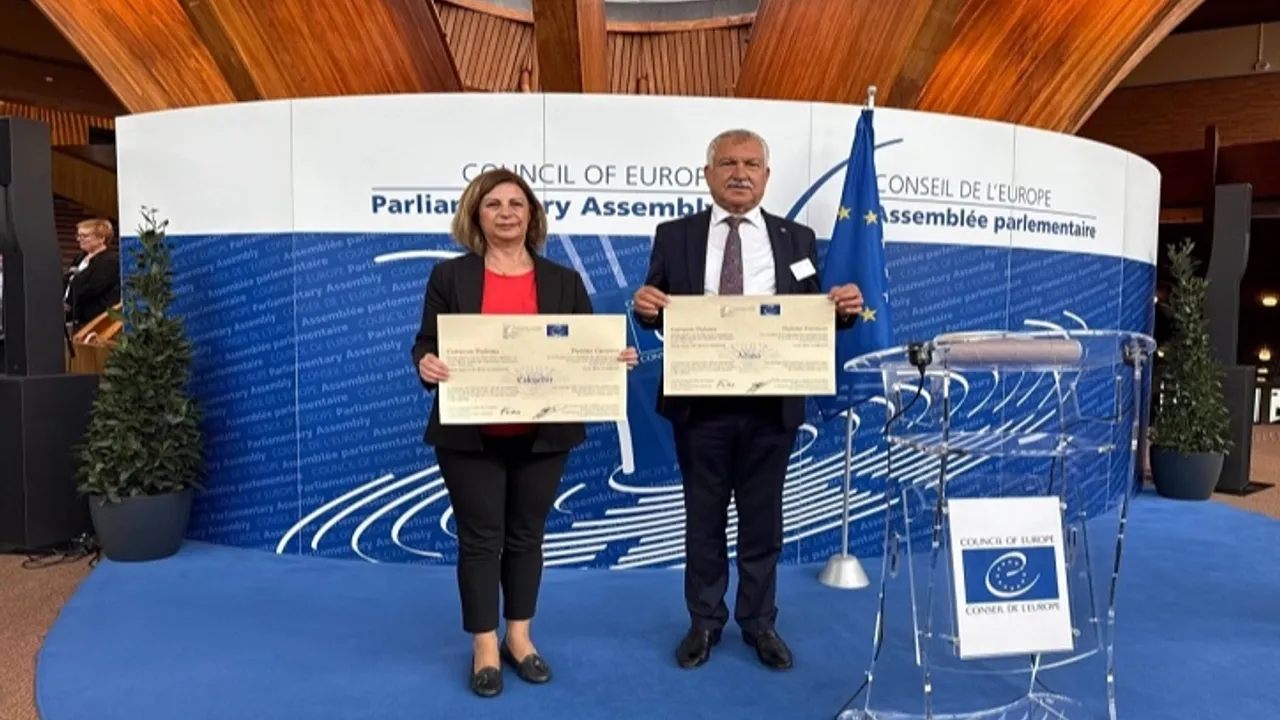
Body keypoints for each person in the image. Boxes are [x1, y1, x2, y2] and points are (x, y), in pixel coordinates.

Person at [631, 129, 864, 671]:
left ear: (766, 175)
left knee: (763, 521)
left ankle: (759, 623)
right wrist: (644, 307)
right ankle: (704, 622)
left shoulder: (797, 238)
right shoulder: (674, 234)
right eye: (729, 163)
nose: (740, 173)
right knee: (703, 519)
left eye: (752, 164)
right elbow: (655, 307)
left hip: (771, 406)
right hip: (699, 404)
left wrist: (842, 310)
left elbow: (811, 314)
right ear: (708, 174)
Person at [411, 168, 639, 698]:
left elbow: (583, 347)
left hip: (544, 433)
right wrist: (426, 362)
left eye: (517, 203)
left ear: (532, 214)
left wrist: (611, 361)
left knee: (526, 536)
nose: (506, 213)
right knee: (480, 538)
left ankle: (519, 637)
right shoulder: (449, 277)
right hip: (469, 433)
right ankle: (484, 646)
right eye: (493, 204)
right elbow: (425, 342)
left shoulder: (564, 280)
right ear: (476, 215)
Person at [64, 218, 121, 329]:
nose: (79, 239)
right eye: (78, 235)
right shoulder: (80, 258)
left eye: (84, 236)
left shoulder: (110, 261)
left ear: (101, 238)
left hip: (95, 320)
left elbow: (92, 289)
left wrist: (69, 304)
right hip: (75, 318)